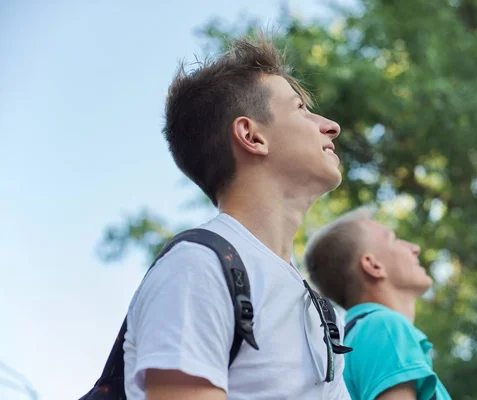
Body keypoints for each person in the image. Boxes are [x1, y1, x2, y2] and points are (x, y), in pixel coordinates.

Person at [123, 31, 350, 400]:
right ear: (252, 136)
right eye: (300, 109)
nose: (329, 126)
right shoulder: (197, 268)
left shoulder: (319, 311)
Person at [305, 207, 452, 400]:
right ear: (373, 266)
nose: (414, 248)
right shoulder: (385, 327)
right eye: (394, 239)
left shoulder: (354, 340)